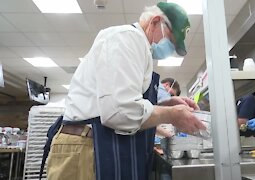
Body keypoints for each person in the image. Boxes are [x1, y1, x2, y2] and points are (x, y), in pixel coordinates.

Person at [43, 2, 206, 180]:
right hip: (86, 148)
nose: (170, 49)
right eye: (170, 40)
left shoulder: (140, 48)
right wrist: (172, 115)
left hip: (98, 144)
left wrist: (164, 104)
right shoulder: (127, 39)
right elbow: (119, 112)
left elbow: (121, 101)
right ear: (155, 22)